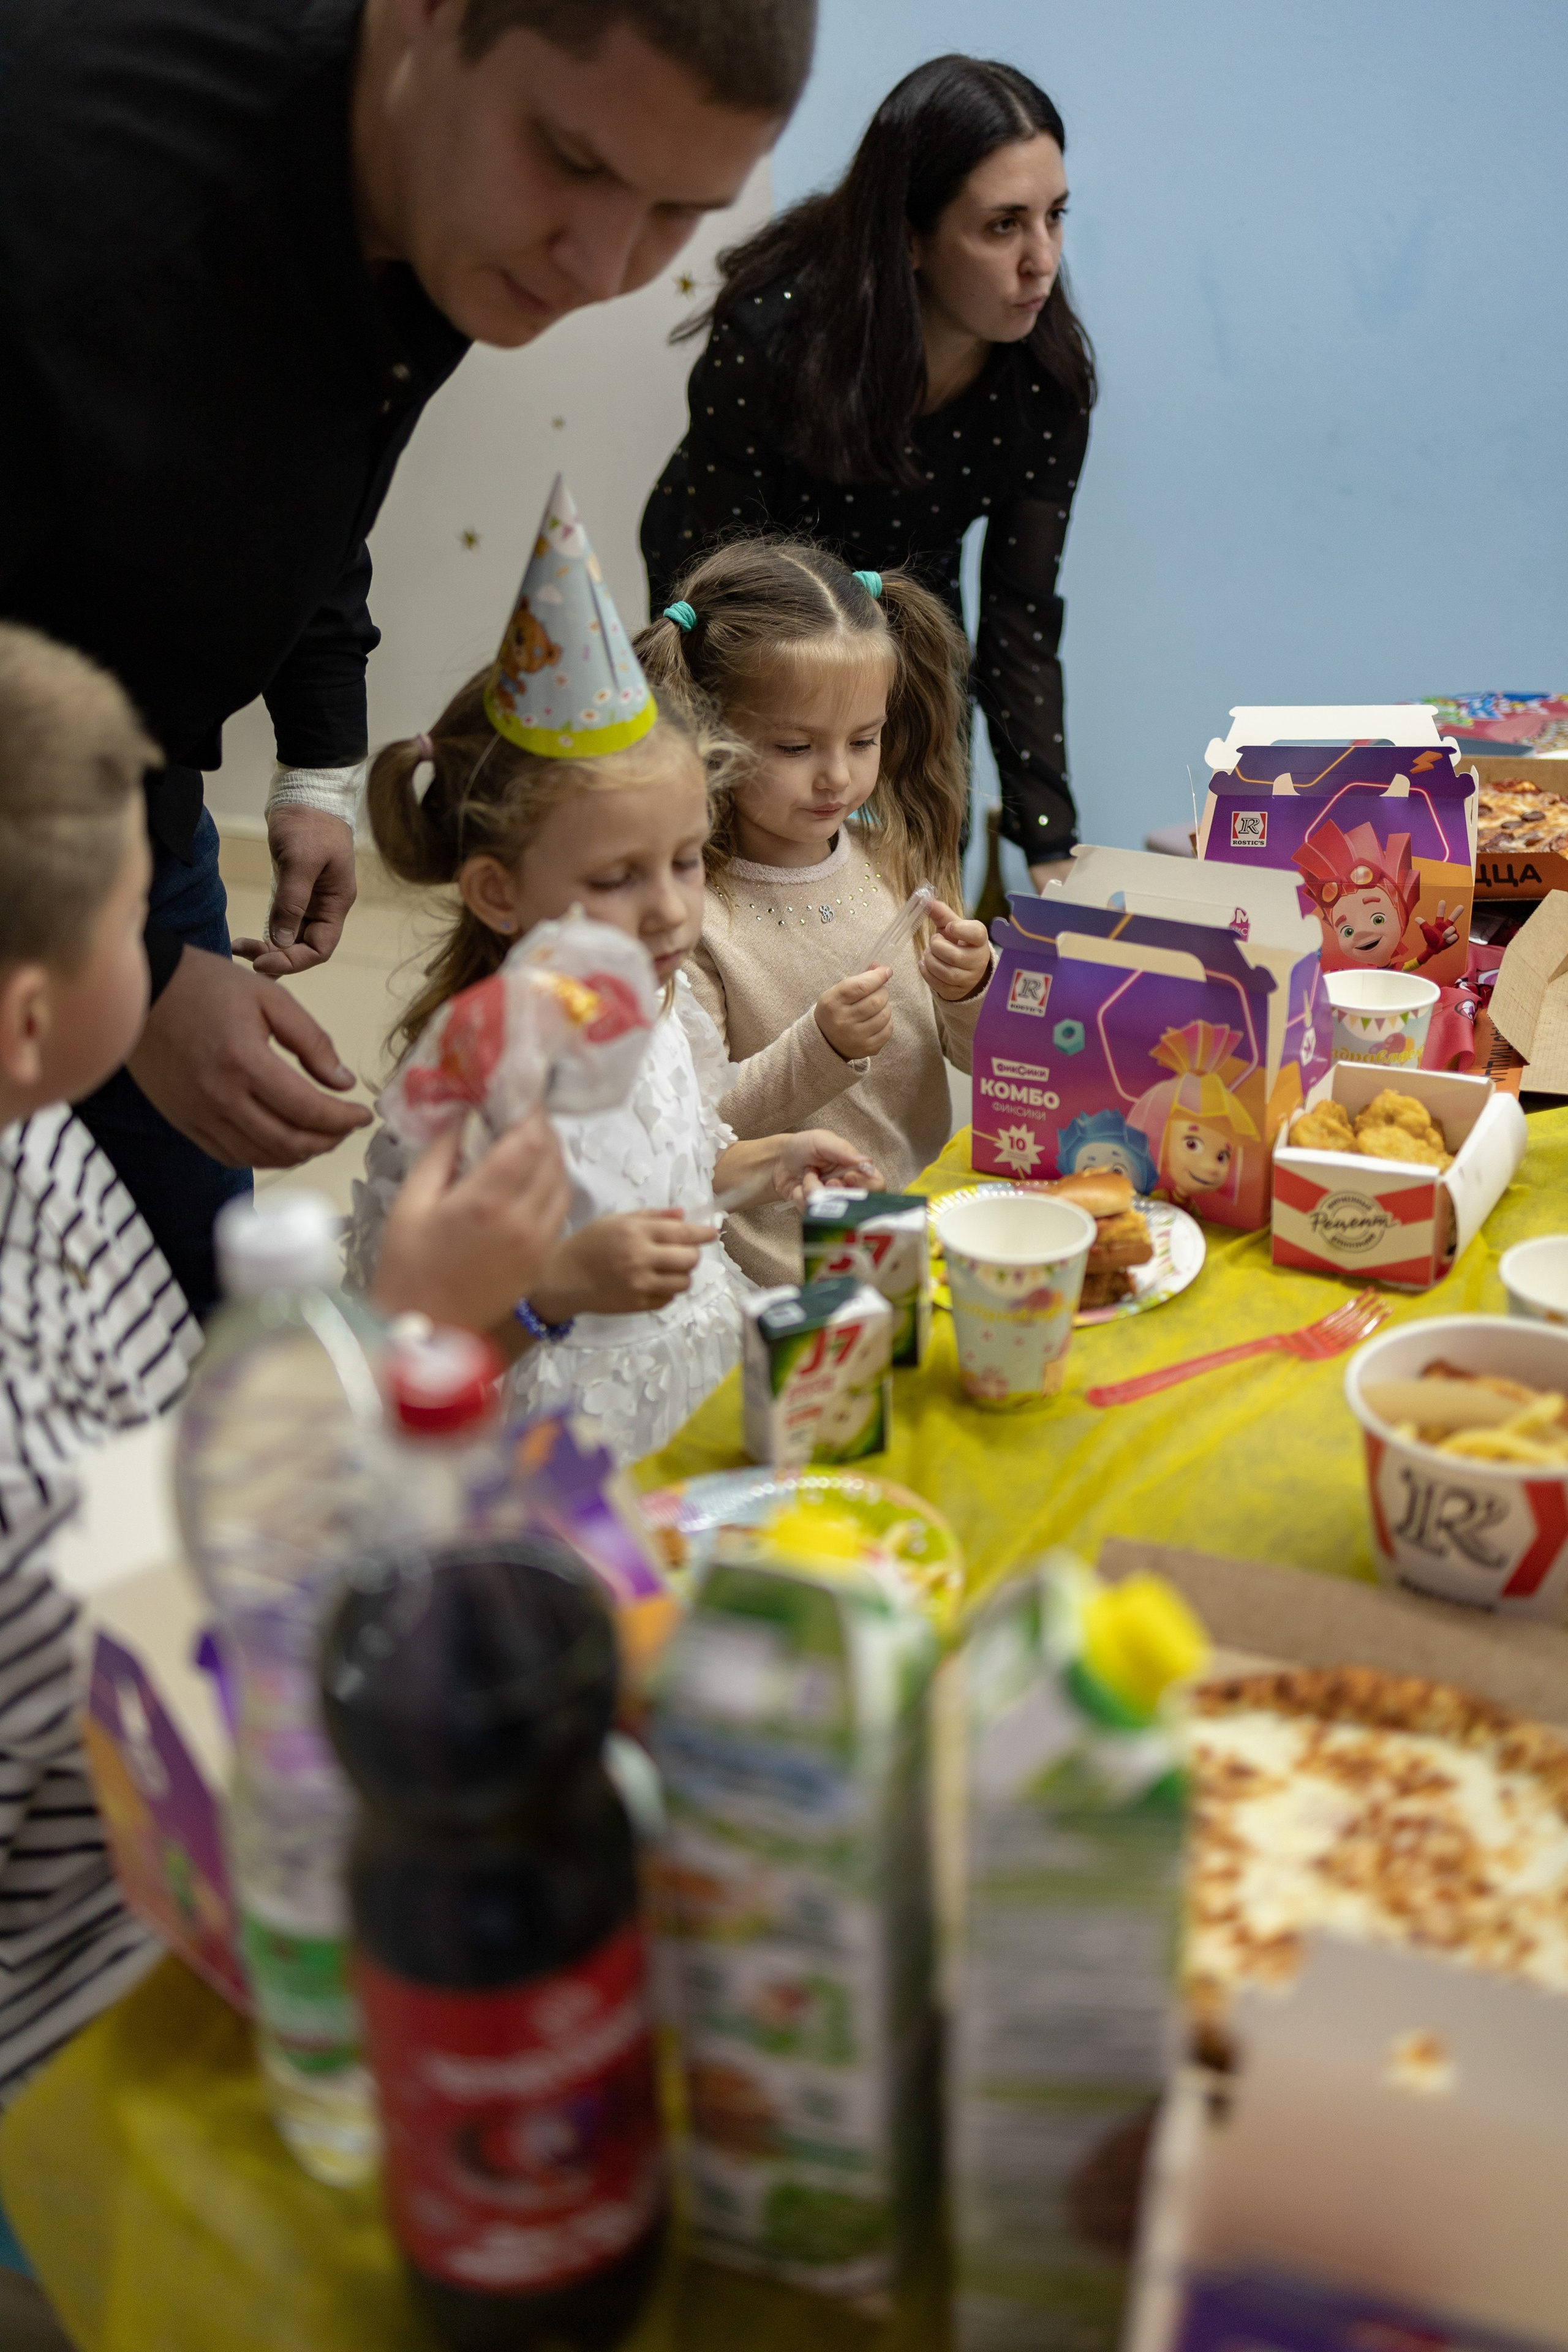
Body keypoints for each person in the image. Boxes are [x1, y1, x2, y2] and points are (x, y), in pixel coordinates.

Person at [0, 0, 815, 1314]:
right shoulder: (84, 231)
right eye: (574, 158)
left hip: (128, 801)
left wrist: (316, 761)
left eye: (677, 211)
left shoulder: (436, 200)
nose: (602, 261)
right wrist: (140, 967)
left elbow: (300, 470)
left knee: (201, 1292)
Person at [0, 621, 569, 2135]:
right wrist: (411, 1330)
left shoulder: (38, 1131)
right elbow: (210, 1651)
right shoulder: (21, 1461)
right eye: (150, 927)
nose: (189, 947)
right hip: (102, 2036)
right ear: (35, 1018)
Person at [345, 491, 878, 1461]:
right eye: (614, 879)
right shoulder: (464, 1085)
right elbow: (404, 1350)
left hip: (687, 1394)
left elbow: (657, 1177)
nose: (673, 910)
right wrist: (554, 1290)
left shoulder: (657, 1010)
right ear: (498, 892)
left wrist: (759, 1165)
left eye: (684, 860)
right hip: (543, 1457)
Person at [641, 53, 1096, 892]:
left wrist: (1053, 849)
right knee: (760, 863)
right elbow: (710, 607)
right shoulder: (773, 337)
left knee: (915, 868)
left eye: (1055, 216)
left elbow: (1020, 623)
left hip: (907, 599)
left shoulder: (1049, 383)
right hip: (742, 599)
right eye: (1003, 225)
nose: (1042, 260)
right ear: (911, 239)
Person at [637, 539, 992, 1288]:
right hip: (771, 1275)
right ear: (706, 736)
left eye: (864, 740)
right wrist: (820, 1049)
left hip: (915, 1228)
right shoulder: (688, 917)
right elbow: (693, 1130)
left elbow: (979, 1059)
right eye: (796, 746)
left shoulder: (899, 862)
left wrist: (970, 990)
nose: (838, 774)